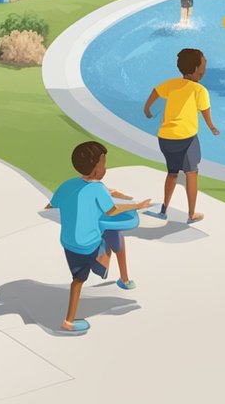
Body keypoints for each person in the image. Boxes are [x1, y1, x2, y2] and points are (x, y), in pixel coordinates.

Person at [49, 141, 152, 333]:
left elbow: (52, 205)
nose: (106, 168)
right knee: (114, 235)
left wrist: (103, 193)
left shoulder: (67, 185)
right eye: (103, 165)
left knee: (78, 280)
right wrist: (137, 206)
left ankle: (68, 321)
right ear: (96, 170)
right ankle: (121, 277)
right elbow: (113, 211)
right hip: (89, 244)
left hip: (69, 243)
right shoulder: (97, 189)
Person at [143, 48, 220, 223]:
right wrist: (211, 127)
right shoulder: (200, 90)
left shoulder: (171, 83)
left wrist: (147, 108)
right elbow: (205, 112)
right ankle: (191, 214)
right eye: (204, 63)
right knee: (191, 173)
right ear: (195, 69)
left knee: (172, 173)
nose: (206, 66)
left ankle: (164, 210)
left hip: (165, 138)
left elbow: (155, 91)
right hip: (186, 139)